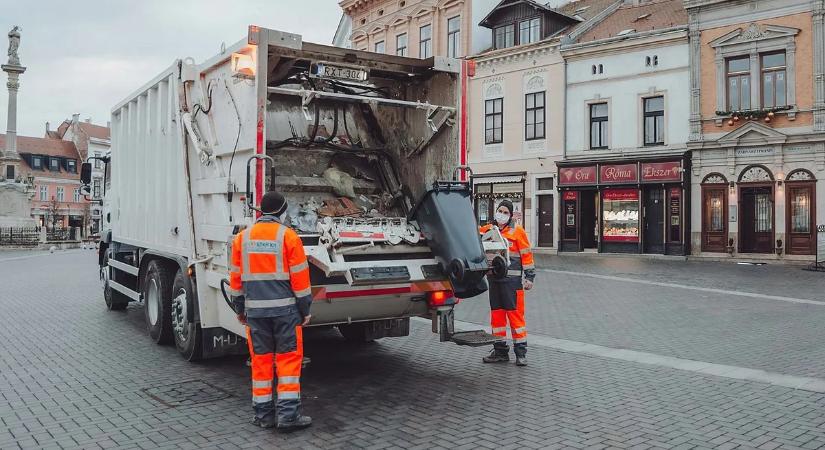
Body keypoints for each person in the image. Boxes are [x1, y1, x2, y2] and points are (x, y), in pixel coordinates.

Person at [228, 190, 313, 431]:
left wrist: (240, 309)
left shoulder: (242, 239)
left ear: (263, 211)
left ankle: (263, 416)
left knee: (261, 364)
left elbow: (236, 280)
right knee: (287, 363)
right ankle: (288, 417)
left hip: (256, 315)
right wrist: (305, 309)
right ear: (282, 211)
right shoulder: (289, 237)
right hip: (286, 314)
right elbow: (300, 280)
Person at [479, 200, 535, 366]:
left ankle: (521, 353)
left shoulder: (518, 232)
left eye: (505, 212)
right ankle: (500, 351)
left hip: (512, 282)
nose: (501, 214)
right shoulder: (488, 230)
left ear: (510, 215)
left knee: (515, 317)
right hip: (495, 280)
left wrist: (530, 277)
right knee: (497, 318)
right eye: (499, 211)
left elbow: (527, 255)